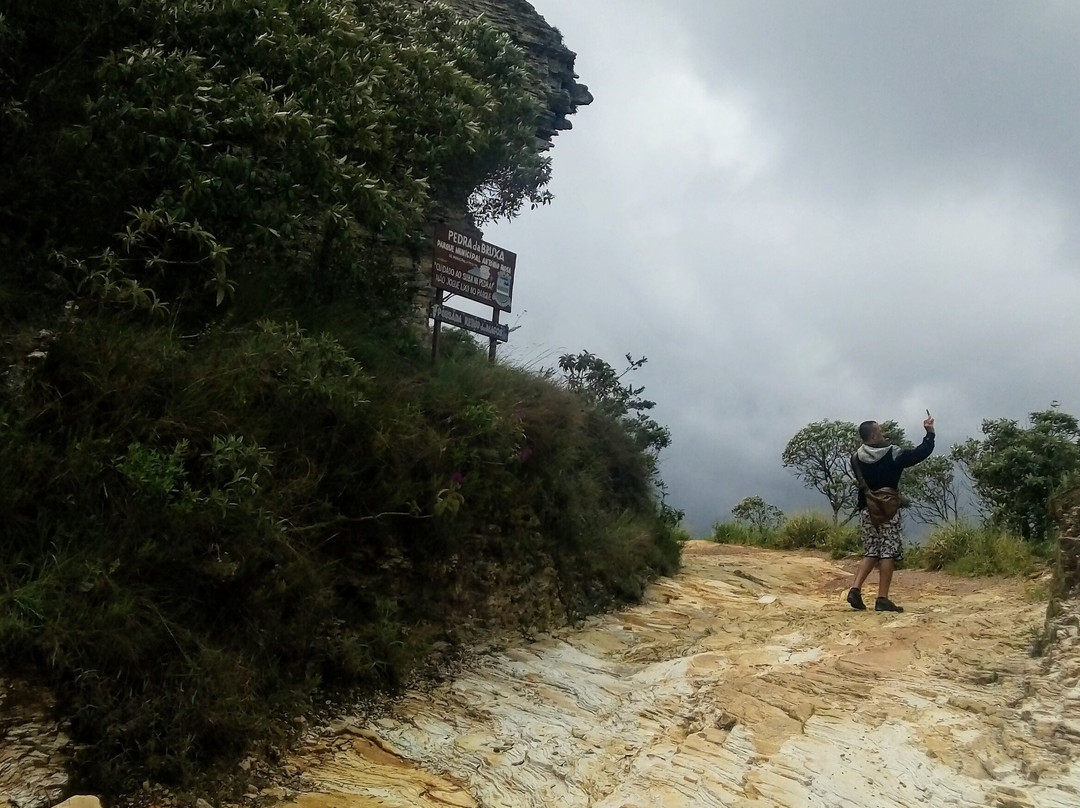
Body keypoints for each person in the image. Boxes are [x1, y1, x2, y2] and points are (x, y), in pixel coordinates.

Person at [847, 415, 935, 613]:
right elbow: (920, 453)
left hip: (866, 510)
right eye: (879, 431)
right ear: (873, 435)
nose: (883, 434)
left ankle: (855, 589)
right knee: (887, 553)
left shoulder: (855, 458)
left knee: (871, 550)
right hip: (888, 511)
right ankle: (882, 598)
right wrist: (929, 434)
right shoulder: (893, 454)